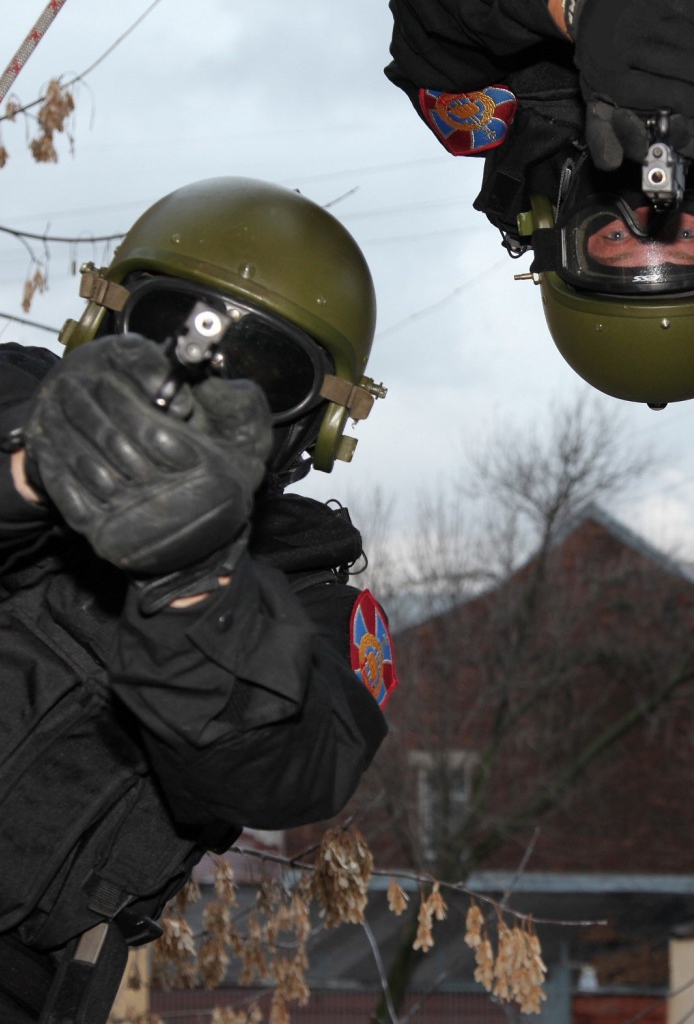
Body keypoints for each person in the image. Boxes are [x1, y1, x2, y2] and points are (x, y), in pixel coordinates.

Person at [0, 176, 393, 1023]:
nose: (203, 372)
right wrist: (36, 468)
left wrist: (196, 580)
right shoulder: (15, 401)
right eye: (167, 327)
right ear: (103, 323)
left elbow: (294, 770)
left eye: (263, 372)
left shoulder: (301, 595)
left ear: (314, 426)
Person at [384, 0, 694, 406]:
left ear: (558, 231)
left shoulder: (470, 94)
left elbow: (429, 21)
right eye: (687, 236)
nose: (649, 213)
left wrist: (578, 11)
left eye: (617, 238)